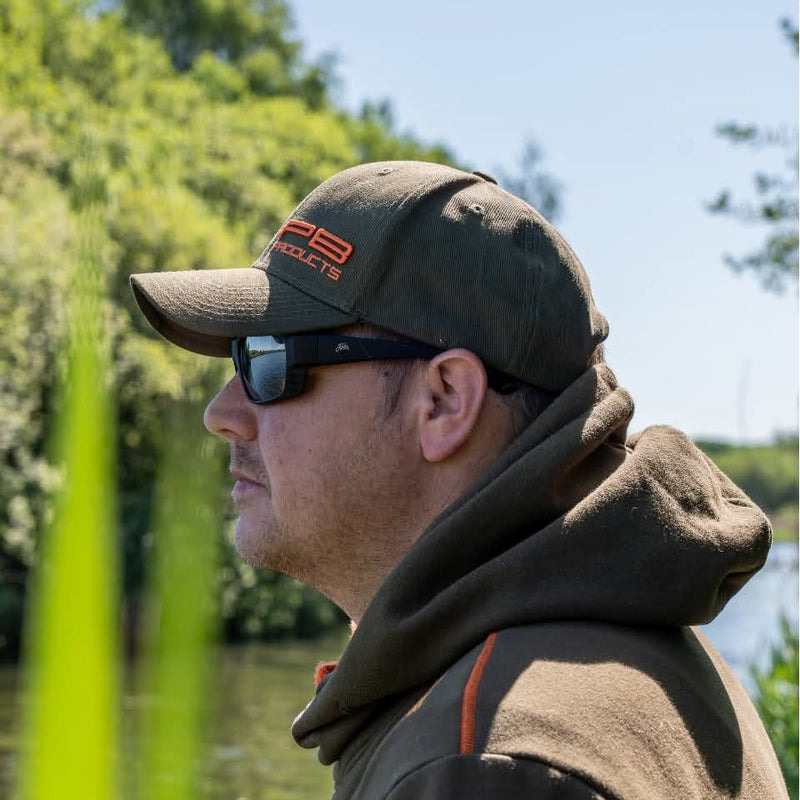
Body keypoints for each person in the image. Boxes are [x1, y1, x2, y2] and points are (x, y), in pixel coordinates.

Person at [130, 161, 788, 799]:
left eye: (267, 361)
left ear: (444, 400)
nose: (223, 414)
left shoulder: (485, 763)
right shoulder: (647, 644)